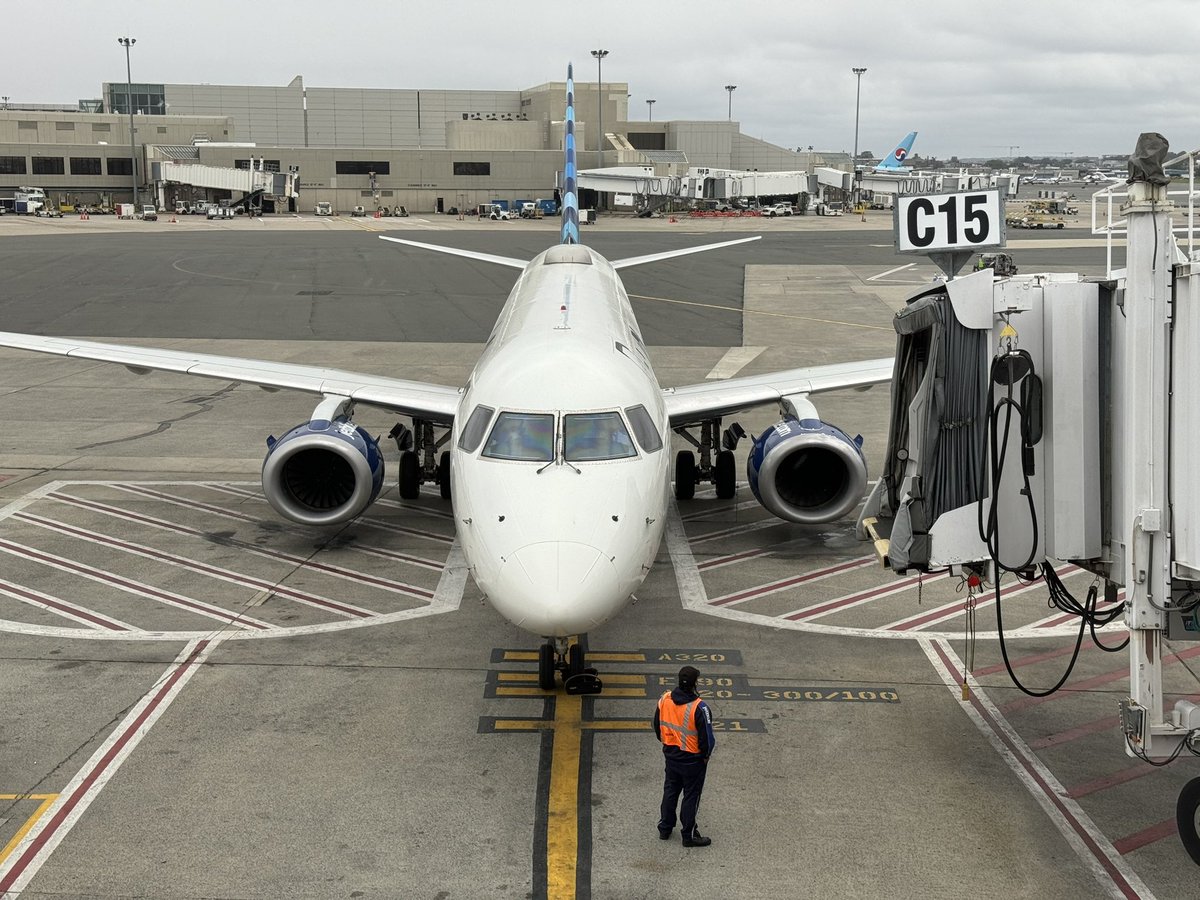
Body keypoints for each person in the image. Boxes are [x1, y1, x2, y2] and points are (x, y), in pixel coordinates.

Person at [651, 665, 716, 847]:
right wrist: (705, 756)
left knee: (670, 790)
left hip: (671, 755)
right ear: (695, 683)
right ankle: (688, 834)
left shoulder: (664, 700)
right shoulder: (699, 707)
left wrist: (668, 744)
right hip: (693, 760)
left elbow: (657, 726)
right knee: (691, 795)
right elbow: (707, 739)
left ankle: (665, 828)